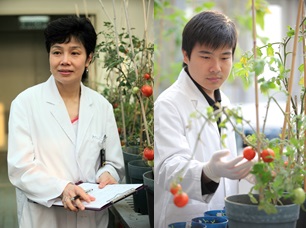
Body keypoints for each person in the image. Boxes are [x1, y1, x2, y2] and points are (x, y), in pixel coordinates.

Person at [7, 16, 124, 228]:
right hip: (45, 217)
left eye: (75, 52)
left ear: (89, 58)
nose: (65, 60)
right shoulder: (25, 103)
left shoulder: (101, 106)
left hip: (91, 217)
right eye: (57, 52)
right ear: (49, 56)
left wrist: (107, 174)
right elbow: (20, 169)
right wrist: (62, 188)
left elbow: (113, 162)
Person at [154, 10, 255, 227]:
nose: (216, 68)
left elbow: (227, 167)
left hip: (222, 218)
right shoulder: (169, 103)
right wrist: (207, 172)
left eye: (225, 57)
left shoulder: (225, 102)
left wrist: (247, 171)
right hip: (184, 218)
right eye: (206, 56)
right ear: (186, 55)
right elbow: (167, 169)